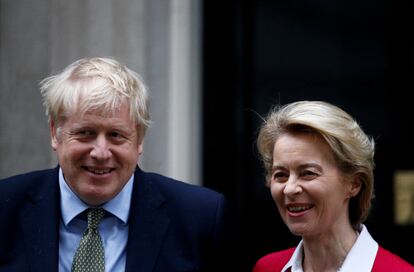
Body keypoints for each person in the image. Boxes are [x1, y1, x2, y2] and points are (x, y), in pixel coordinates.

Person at [0, 57, 231, 272]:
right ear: (55, 132)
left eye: (116, 135)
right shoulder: (5, 208)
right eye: (85, 133)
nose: (100, 152)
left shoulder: (200, 218)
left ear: (139, 138)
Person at [253, 101, 413, 272]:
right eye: (281, 175)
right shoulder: (267, 268)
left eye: (308, 173)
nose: (289, 188)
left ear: (354, 183)